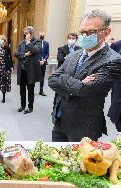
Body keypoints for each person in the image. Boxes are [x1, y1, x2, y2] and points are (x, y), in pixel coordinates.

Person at [49, 9, 121, 142]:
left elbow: (86, 89)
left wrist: (63, 79)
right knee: (57, 160)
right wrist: (78, 82)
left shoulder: (114, 60)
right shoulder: (74, 54)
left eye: (91, 32)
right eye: (82, 32)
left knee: (79, 163)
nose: (85, 36)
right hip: (59, 120)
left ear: (106, 31)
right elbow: (52, 80)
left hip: (83, 128)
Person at [15, 26, 41, 114]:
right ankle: (22, 106)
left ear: (31, 33)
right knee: (22, 90)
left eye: (26, 33)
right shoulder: (21, 42)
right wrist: (25, 54)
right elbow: (16, 53)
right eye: (24, 33)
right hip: (22, 70)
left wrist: (29, 43)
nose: (25, 35)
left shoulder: (37, 41)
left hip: (31, 70)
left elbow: (36, 50)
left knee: (30, 89)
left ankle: (30, 107)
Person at [0, 35, 13, 103]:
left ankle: (3, 97)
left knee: (3, 82)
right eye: (0, 39)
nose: (1, 41)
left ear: (5, 41)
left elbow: (10, 58)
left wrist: (11, 67)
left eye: (3, 40)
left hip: (4, 67)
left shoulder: (7, 48)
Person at [38, 32, 49, 96]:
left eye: (43, 35)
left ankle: (41, 90)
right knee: (34, 76)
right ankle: (31, 90)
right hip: (37, 62)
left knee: (42, 77)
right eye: (40, 35)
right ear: (38, 35)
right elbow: (35, 52)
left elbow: (47, 53)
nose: (42, 36)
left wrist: (44, 60)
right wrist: (39, 60)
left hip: (44, 62)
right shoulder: (36, 43)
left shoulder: (46, 43)